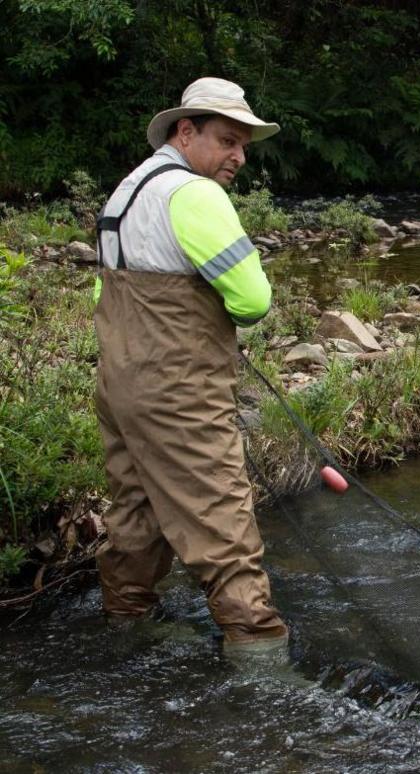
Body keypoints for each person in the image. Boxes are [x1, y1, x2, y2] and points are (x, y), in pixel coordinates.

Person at [93, 77, 289, 665]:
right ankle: (261, 658)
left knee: (136, 510)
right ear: (186, 130)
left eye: (244, 146)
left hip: (121, 385)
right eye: (228, 141)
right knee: (222, 520)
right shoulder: (196, 196)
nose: (238, 157)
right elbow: (253, 300)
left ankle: (126, 627)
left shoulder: (125, 192)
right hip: (180, 392)